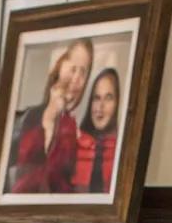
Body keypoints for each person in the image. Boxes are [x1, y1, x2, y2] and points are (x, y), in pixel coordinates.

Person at [8, 38, 93, 193]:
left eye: (83, 72)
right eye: (73, 69)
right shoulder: (28, 118)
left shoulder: (74, 127)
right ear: (59, 67)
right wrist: (51, 114)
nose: (76, 79)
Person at [72, 67, 120, 192]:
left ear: (118, 103)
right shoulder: (74, 145)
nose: (100, 106)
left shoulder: (122, 151)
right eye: (97, 98)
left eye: (108, 97)